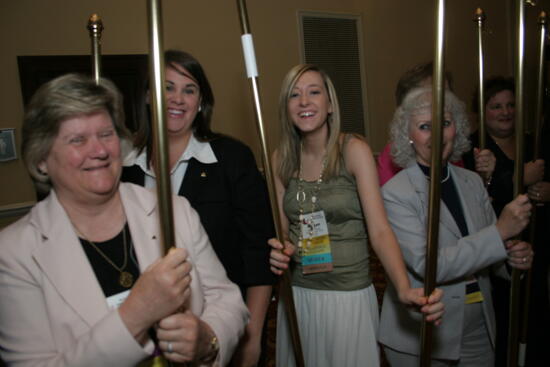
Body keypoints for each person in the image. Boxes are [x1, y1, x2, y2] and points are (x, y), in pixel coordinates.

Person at [0, 73, 248, 366]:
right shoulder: (15, 253)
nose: (100, 150)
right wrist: (136, 313)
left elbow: (226, 298)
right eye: (78, 139)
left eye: (106, 134)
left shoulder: (174, 210)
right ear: (41, 158)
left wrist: (208, 338)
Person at [268, 64, 444, 367]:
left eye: (314, 92)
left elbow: (379, 230)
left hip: (347, 296)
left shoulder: (354, 149)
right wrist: (279, 248)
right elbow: (283, 231)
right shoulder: (280, 159)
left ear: (331, 104)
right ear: (286, 107)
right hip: (299, 294)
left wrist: (402, 287)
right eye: (294, 95)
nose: (304, 101)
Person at [121, 50, 275, 367]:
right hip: (143, 339)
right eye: (167, 87)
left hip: (223, 331)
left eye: (189, 89)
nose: (177, 99)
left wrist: (253, 335)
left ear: (201, 101)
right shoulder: (125, 171)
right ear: (149, 95)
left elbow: (257, 251)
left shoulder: (231, 159)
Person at [379, 86, 533, 365]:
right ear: (408, 136)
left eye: (446, 123)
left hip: (478, 327)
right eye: (425, 126)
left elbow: (492, 257)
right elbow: (430, 265)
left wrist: (512, 258)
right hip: (421, 335)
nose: (437, 134)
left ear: (457, 129)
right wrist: (499, 233)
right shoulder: (396, 193)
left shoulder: (472, 182)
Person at [463, 76, 547, 365]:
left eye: (510, 105)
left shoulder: (532, 143)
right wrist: (519, 179)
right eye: (496, 106)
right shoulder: (473, 148)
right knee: (502, 323)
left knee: (535, 320)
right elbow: (477, 195)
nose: (505, 112)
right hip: (497, 253)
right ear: (482, 111)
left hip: (536, 246)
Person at [377, 62, 495, 186]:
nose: (444, 101)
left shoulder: (450, 146)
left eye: (447, 94)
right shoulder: (392, 157)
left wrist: (484, 178)